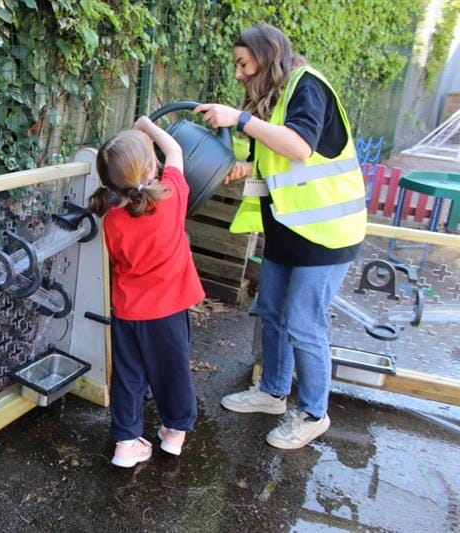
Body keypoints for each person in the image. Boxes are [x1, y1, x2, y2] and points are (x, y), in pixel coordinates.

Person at [192, 24, 367, 450]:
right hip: (287, 228)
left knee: (304, 324)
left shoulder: (308, 86)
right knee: (271, 311)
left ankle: (313, 414)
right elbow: (277, 161)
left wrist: (241, 119)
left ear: (266, 55)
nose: (238, 73)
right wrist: (244, 166)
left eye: (243, 63)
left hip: (326, 234)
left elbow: (301, 147)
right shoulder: (273, 98)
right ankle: (272, 392)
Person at [88, 116, 205, 467]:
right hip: (169, 310)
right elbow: (176, 150)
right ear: (152, 167)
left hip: (128, 312)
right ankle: (174, 433)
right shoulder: (172, 196)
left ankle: (126, 443)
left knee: (128, 376)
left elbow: (116, 259)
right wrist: (147, 126)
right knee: (173, 371)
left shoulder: (112, 220)